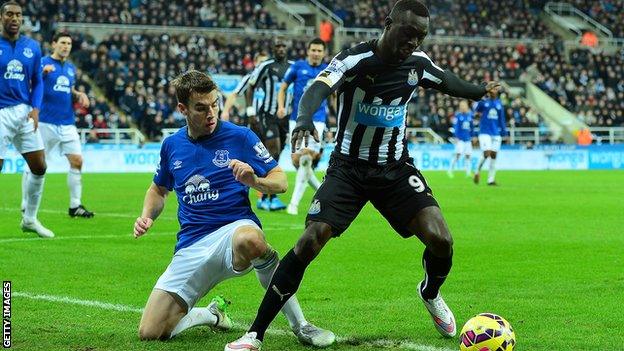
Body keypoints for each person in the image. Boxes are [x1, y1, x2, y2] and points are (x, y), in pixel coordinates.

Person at [226, 0, 501, 349]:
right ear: (388, 24)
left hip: (396, 169)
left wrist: (481, 91)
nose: (414, 43)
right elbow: (317, 88)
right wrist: (305, 118)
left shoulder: (417, 65)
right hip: (349, 169)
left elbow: (448, 82)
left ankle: (430, 293)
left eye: (421, 37)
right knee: (311, 240)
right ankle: (254, 334)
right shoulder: (355, 60)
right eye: (408, 33)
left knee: (442, 240)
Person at [134, 70, 334, 348]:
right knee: (151, 332)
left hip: (234, 231)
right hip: (192, 243)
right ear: (183, 109)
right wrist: (146, 217)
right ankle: (210, 315)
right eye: (201, 108)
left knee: (250, 239)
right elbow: (158, 189)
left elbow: (281, 181)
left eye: (215, 104)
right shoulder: (171, 145)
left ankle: (300, 324)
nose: (211, 113)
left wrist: (256, 181)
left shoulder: (240, 137)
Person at [22, 32, 94, 218]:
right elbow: (28, 84)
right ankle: (26, 203)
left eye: (69, 43)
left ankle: (75, 206)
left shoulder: (69, 68)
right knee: (35, 163)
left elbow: (67, 88)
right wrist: (41, 73)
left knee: (77, 161)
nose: (66, 46)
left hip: (67, 123)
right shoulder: (42, 62)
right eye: (62, 42)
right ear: (53, 44)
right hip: (45, 122)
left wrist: (78, 94)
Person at [0, 1, 53, 237]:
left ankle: (29, 219)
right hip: (1, 111)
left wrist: (36, 109)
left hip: (24, 112)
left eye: (18, 15)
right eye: (9, 14)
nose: (14, 18)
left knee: (39, 166)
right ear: (1, 17)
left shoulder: (32, 46)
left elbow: (38, 81)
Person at [276, 38, 329, 216]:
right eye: (313, 49)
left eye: (319, 51)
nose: (316, 53)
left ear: (323, 53)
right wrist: (281, 106)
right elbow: (283, 88)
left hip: (318, 120)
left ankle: (293, 204)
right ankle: (323, 193)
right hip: (296, 119)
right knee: (298, 162)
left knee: (306, 158)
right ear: (308, 51)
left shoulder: (328, 70)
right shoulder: (298, 67)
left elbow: (336, 94)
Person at [245, 37, 293, 211]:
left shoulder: (292, 67)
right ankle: (267, 196)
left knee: (278, 153)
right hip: (268, 114)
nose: (280, 48)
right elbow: (250, 87)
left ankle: (267, 196)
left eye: (283, 46)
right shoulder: (266, 66)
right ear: (273, 49)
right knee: (272, 149)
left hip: (285, 117)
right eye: (277, 46)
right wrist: (251, 111)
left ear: (287, 48)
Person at [221, 52, 268, 122]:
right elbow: (234, 94)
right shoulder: (249, 77)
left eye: (266, 63)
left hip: (269, 117)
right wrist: (225, 111)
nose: (263, 65)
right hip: (252, 117)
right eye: (261, 62)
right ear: (255, 63)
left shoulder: (272, 79)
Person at [473, 89, 506, 186]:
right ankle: (477, 171)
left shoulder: (499, 104)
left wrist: (504, 132)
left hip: (496, 133)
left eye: (495, 89)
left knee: (494, 155)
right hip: (484, 132)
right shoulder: (483, 102)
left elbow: (501, 119)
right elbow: (476, 113)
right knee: (487, 152)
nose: (493, 91)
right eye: (492, 89)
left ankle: (491, 180)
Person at [447, 100, 475, 178]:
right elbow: (456, 128)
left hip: (468, 139)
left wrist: (472, 136)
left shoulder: (470, 116)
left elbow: (472, 128)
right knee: (458, 155)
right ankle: (450, 170)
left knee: (468, 155)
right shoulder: (458, 116)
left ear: (467, 106)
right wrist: (456, 137)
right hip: (460, 139)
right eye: (461, 106)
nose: (463, 107)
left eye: (464, 106)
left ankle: (468, 172)